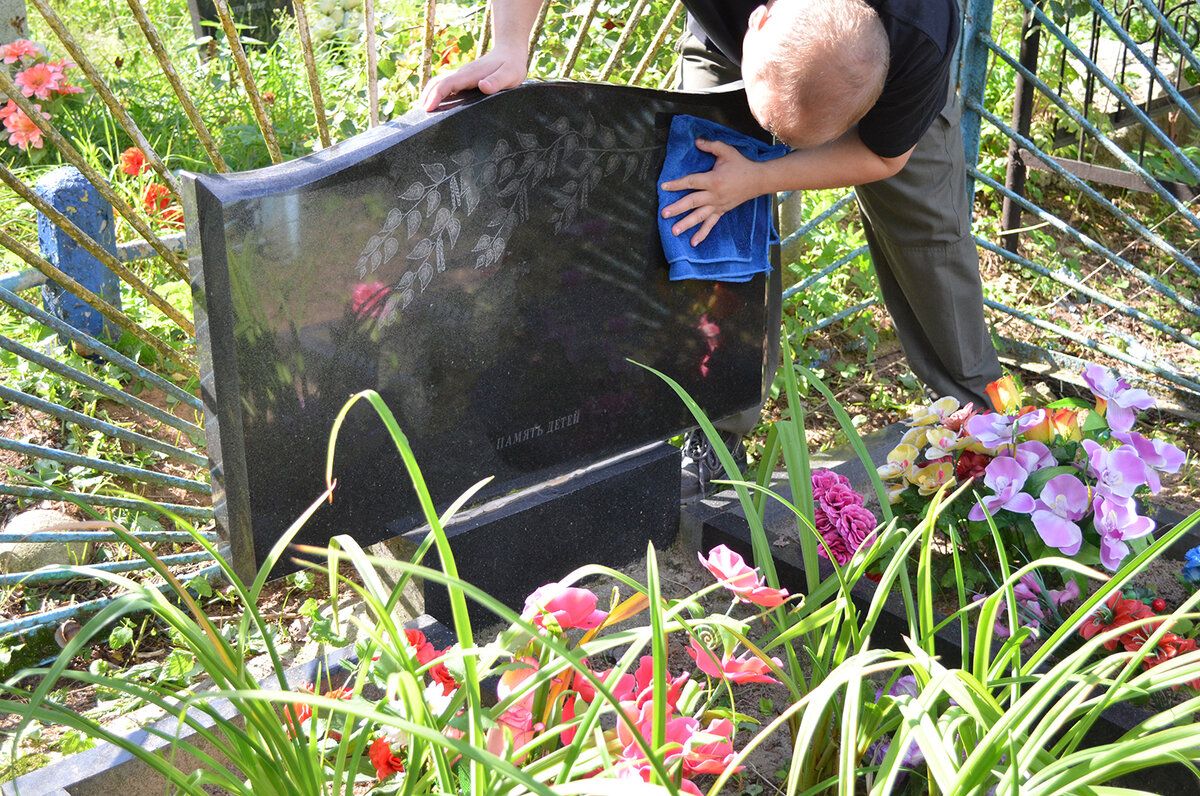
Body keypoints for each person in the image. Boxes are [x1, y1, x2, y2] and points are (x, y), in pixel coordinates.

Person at [421, 0, 1003, 502]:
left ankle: (983, 424)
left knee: (928, 237)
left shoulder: (919, 33)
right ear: (758, 19)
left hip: (880, 65)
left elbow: (883, 155)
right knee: (702, 215)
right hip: (731, 45)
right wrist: (509, 44)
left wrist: (759, 177)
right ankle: (716, 423)